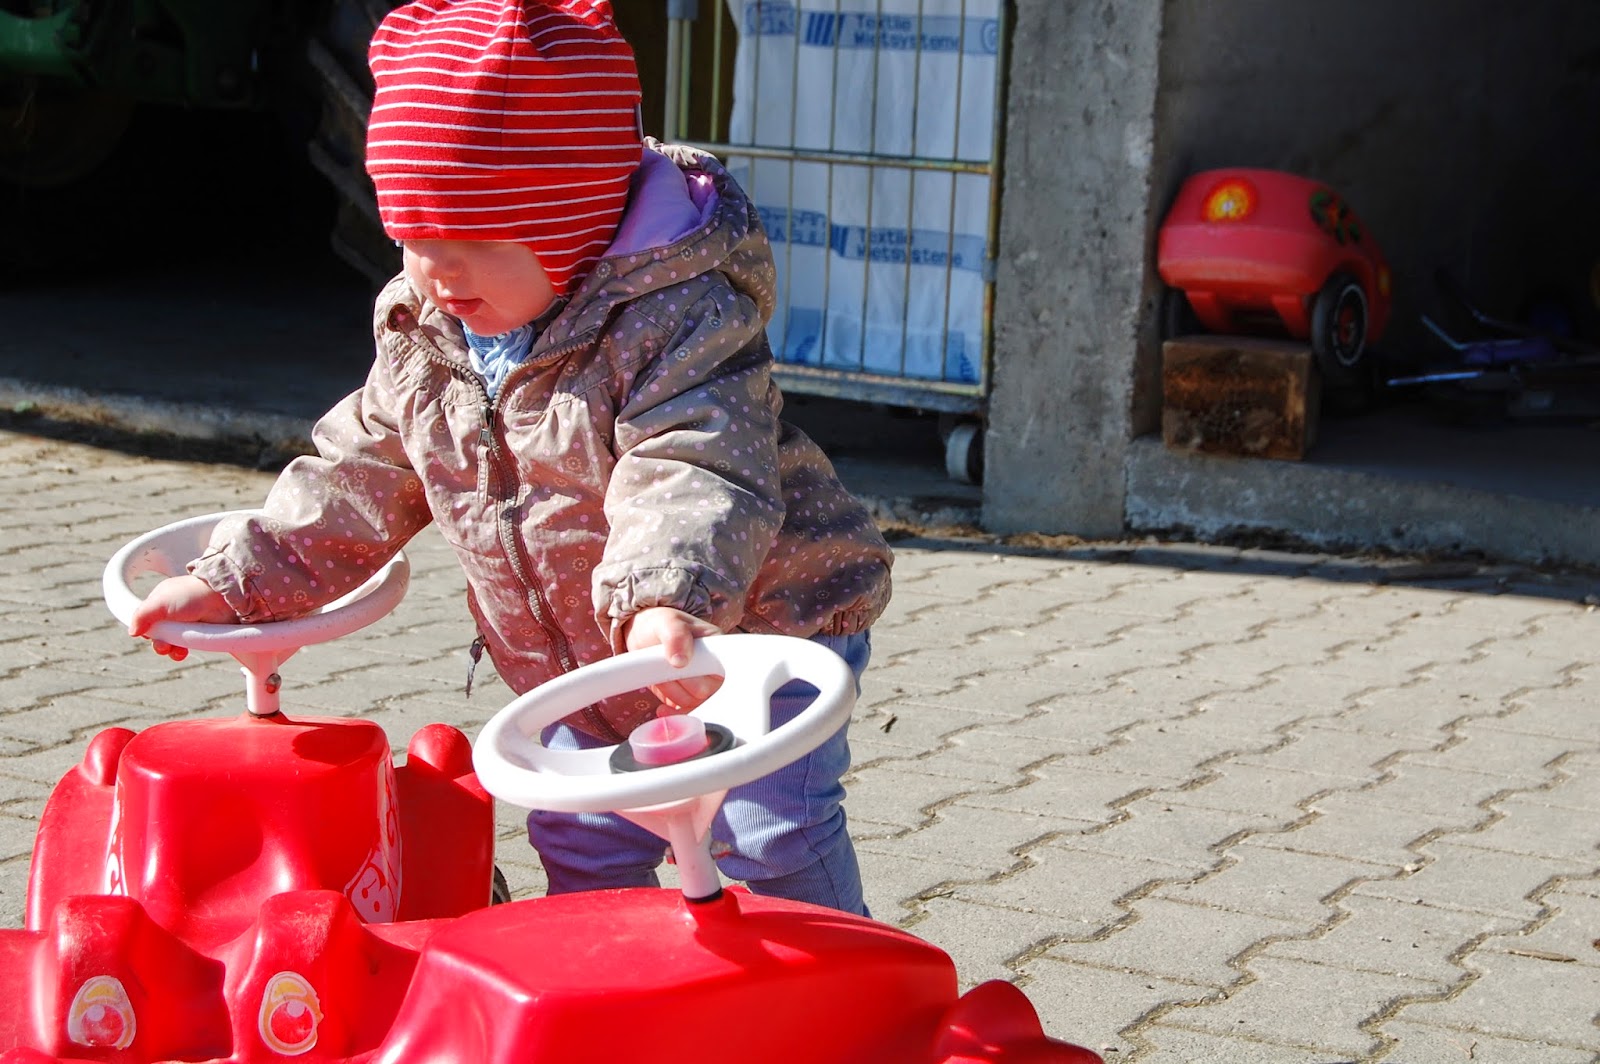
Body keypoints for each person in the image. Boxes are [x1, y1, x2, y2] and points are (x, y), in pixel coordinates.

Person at [127, 0, 892, 916]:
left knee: (768, 833)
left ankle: (846, 987)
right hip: (578, 672)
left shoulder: (674, 320)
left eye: (478, 241)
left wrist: (667, 598)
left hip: (747, 632)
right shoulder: (427, 337)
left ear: (573, 219)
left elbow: (693, 461)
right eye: (414, 235)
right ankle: (606, 988)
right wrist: (237, 581)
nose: (439, 272)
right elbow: (356, 478)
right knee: (581, 836)